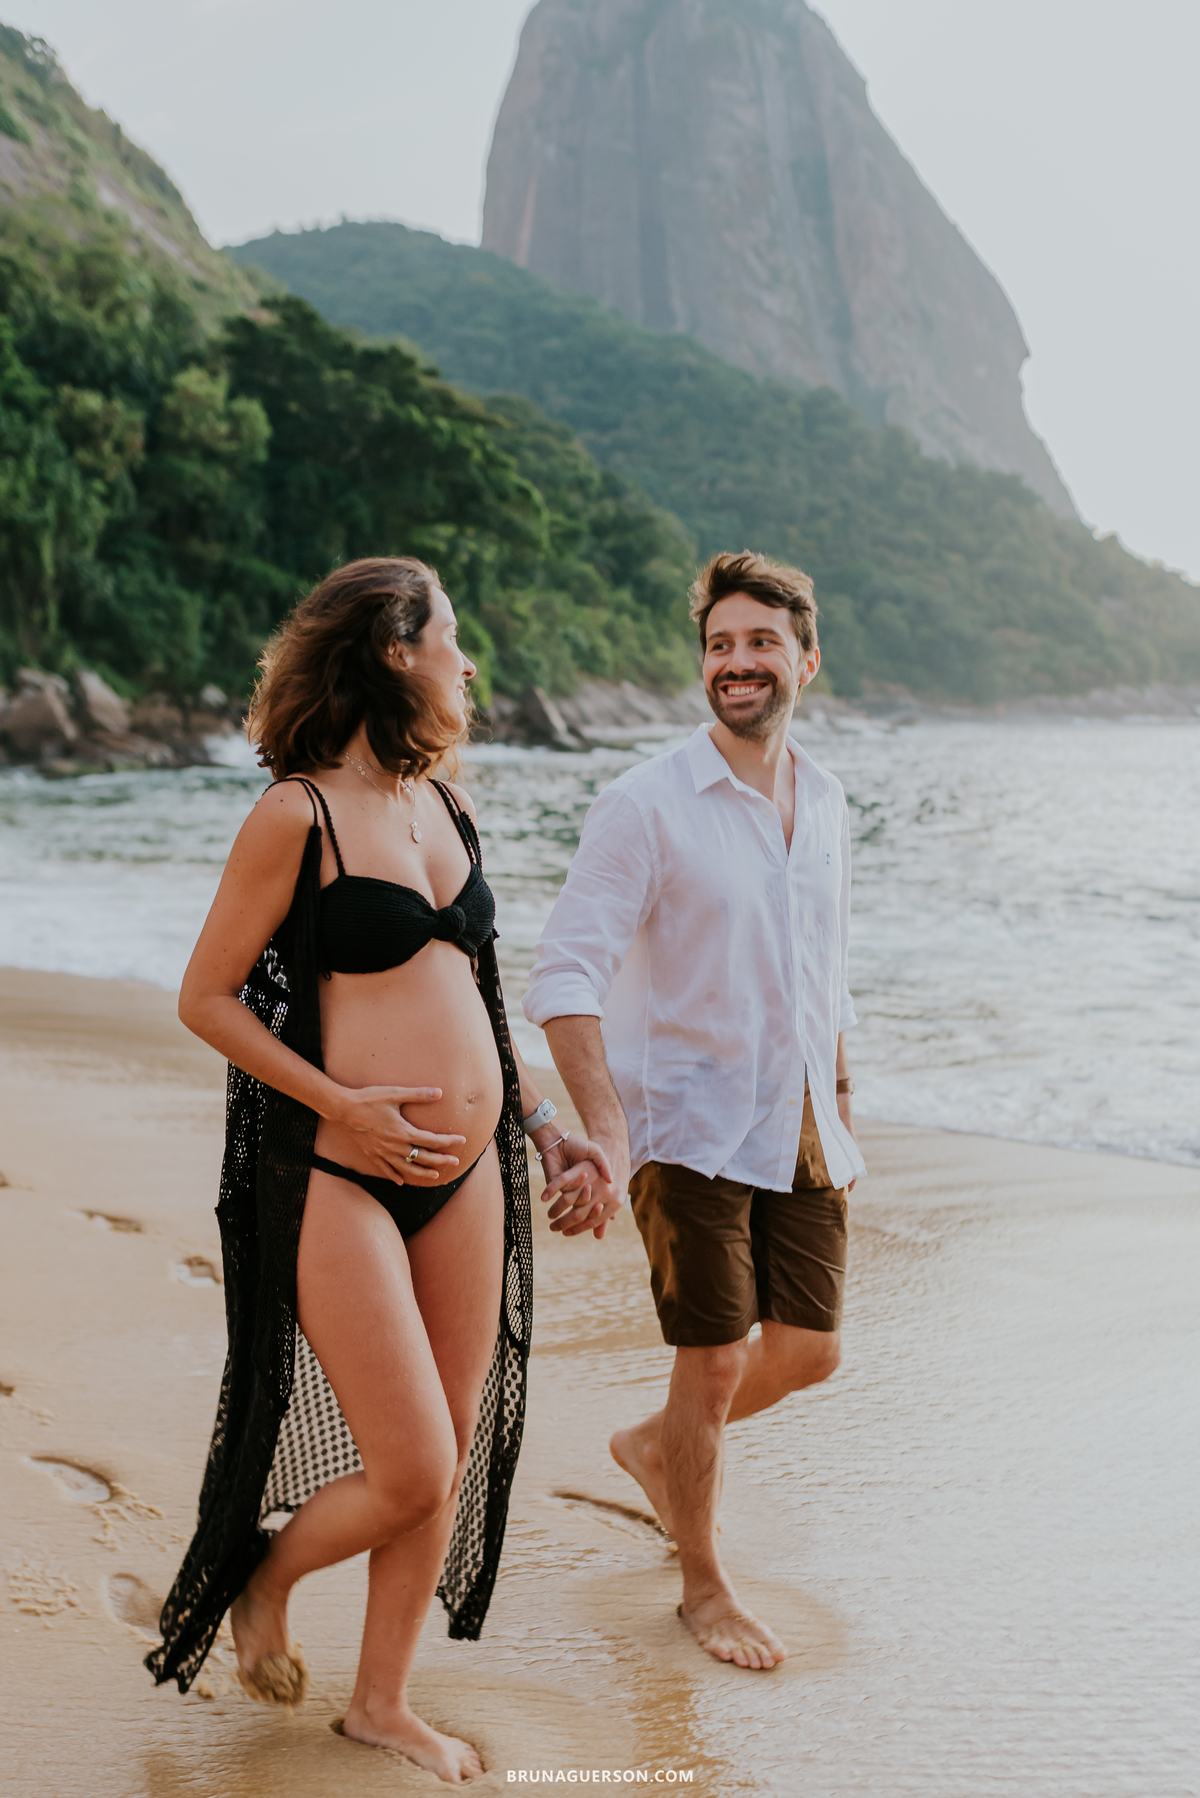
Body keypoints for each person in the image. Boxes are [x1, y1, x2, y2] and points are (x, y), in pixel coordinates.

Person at [146, 557, 609, 1785]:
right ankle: (265, 1570)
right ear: (395, 647)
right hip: (342, 1170)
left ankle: (383, 1701)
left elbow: (474, 995)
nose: (468, 661)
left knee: (445, 1453)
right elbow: (207, 997)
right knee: (410, 1463)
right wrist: (337, 1106)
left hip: (469, 1172)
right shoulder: (294, 814)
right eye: (451, 637)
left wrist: (544, 1122)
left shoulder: (447, 808)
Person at [524, 550, 866, 1673]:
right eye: (720, 644)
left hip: (804, 1113)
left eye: (761, 643)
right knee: (713, 1361)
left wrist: (844, 1088)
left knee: (810, 1350)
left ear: (805, 660)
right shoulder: (646, 804)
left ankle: (654, 1450)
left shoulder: (828, 804)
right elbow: (566, 975)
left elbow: (825, 963)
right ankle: (704, 1588)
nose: (737, 662)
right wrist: (608, 1137)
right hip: (686, 1122)